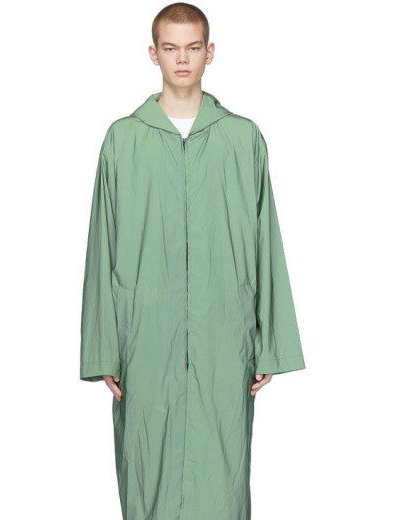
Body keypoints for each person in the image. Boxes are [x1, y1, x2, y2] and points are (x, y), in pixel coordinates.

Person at [79, 3, 306, 518]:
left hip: (225, 337)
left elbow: (265, 239)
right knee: (148, 474)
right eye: (171, 48)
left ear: (210, 52)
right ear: (153, 53)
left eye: (193, 47)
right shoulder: (123, 140)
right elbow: (101, 246)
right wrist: (103, 350)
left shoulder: (242, 139)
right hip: (144, 338)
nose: (182, 59)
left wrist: (268, 344)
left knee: (222, 474)